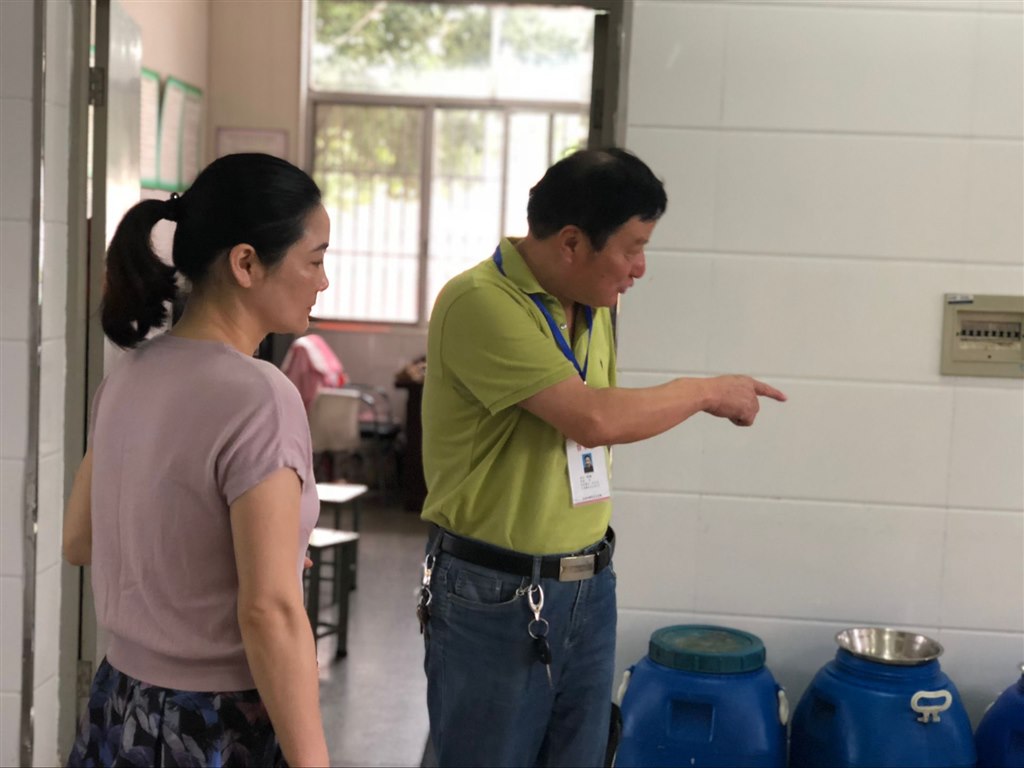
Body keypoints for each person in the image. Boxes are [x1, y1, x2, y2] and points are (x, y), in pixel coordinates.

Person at [417, 147, 786, 768]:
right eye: (632, 247)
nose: (640, 268)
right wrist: (705, 392)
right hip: (496, 591)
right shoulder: (480, 301)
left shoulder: (592, 305)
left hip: (588, 583)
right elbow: (592, 417)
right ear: (571, 242)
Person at [62, 153, 332, 767]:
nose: (323, 282)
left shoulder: (130, 374)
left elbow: (80, 538)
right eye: (314, 260)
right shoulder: (261, 396)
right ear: (246, 263)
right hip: (214, 723)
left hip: (119, 707)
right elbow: (269, 611)